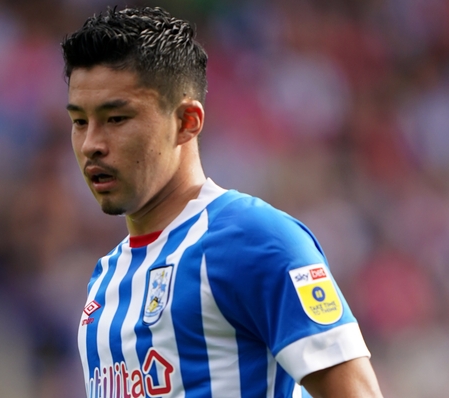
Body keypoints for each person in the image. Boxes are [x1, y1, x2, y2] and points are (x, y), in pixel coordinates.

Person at [62, 6, 383, 398]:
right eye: (80, 121)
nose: (92, 143)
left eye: (116, 119)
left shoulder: (257, 240)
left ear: (186, 122)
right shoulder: (106, 279)